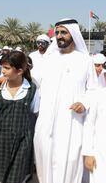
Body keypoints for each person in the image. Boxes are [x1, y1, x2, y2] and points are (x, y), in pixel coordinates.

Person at [33, 18, 98, 183]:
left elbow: (93, 90)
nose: (60, 36)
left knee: (69, 162)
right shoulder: (48, 60)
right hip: (46, 122)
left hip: (71, 122)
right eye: (57, 33)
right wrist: (4, 80)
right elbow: (31, 80)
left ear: (73, 34)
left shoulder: (85, 61)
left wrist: (84, 103)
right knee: (44, 163)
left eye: (64, 32)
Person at [0, 51, 40, 183]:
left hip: (23, 142)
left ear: (19, 71)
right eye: (2, 67)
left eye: (6, 68)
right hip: (1, 141)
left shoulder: (31, 90)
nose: (2, 71)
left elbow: (37, 115)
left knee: (17, 178)